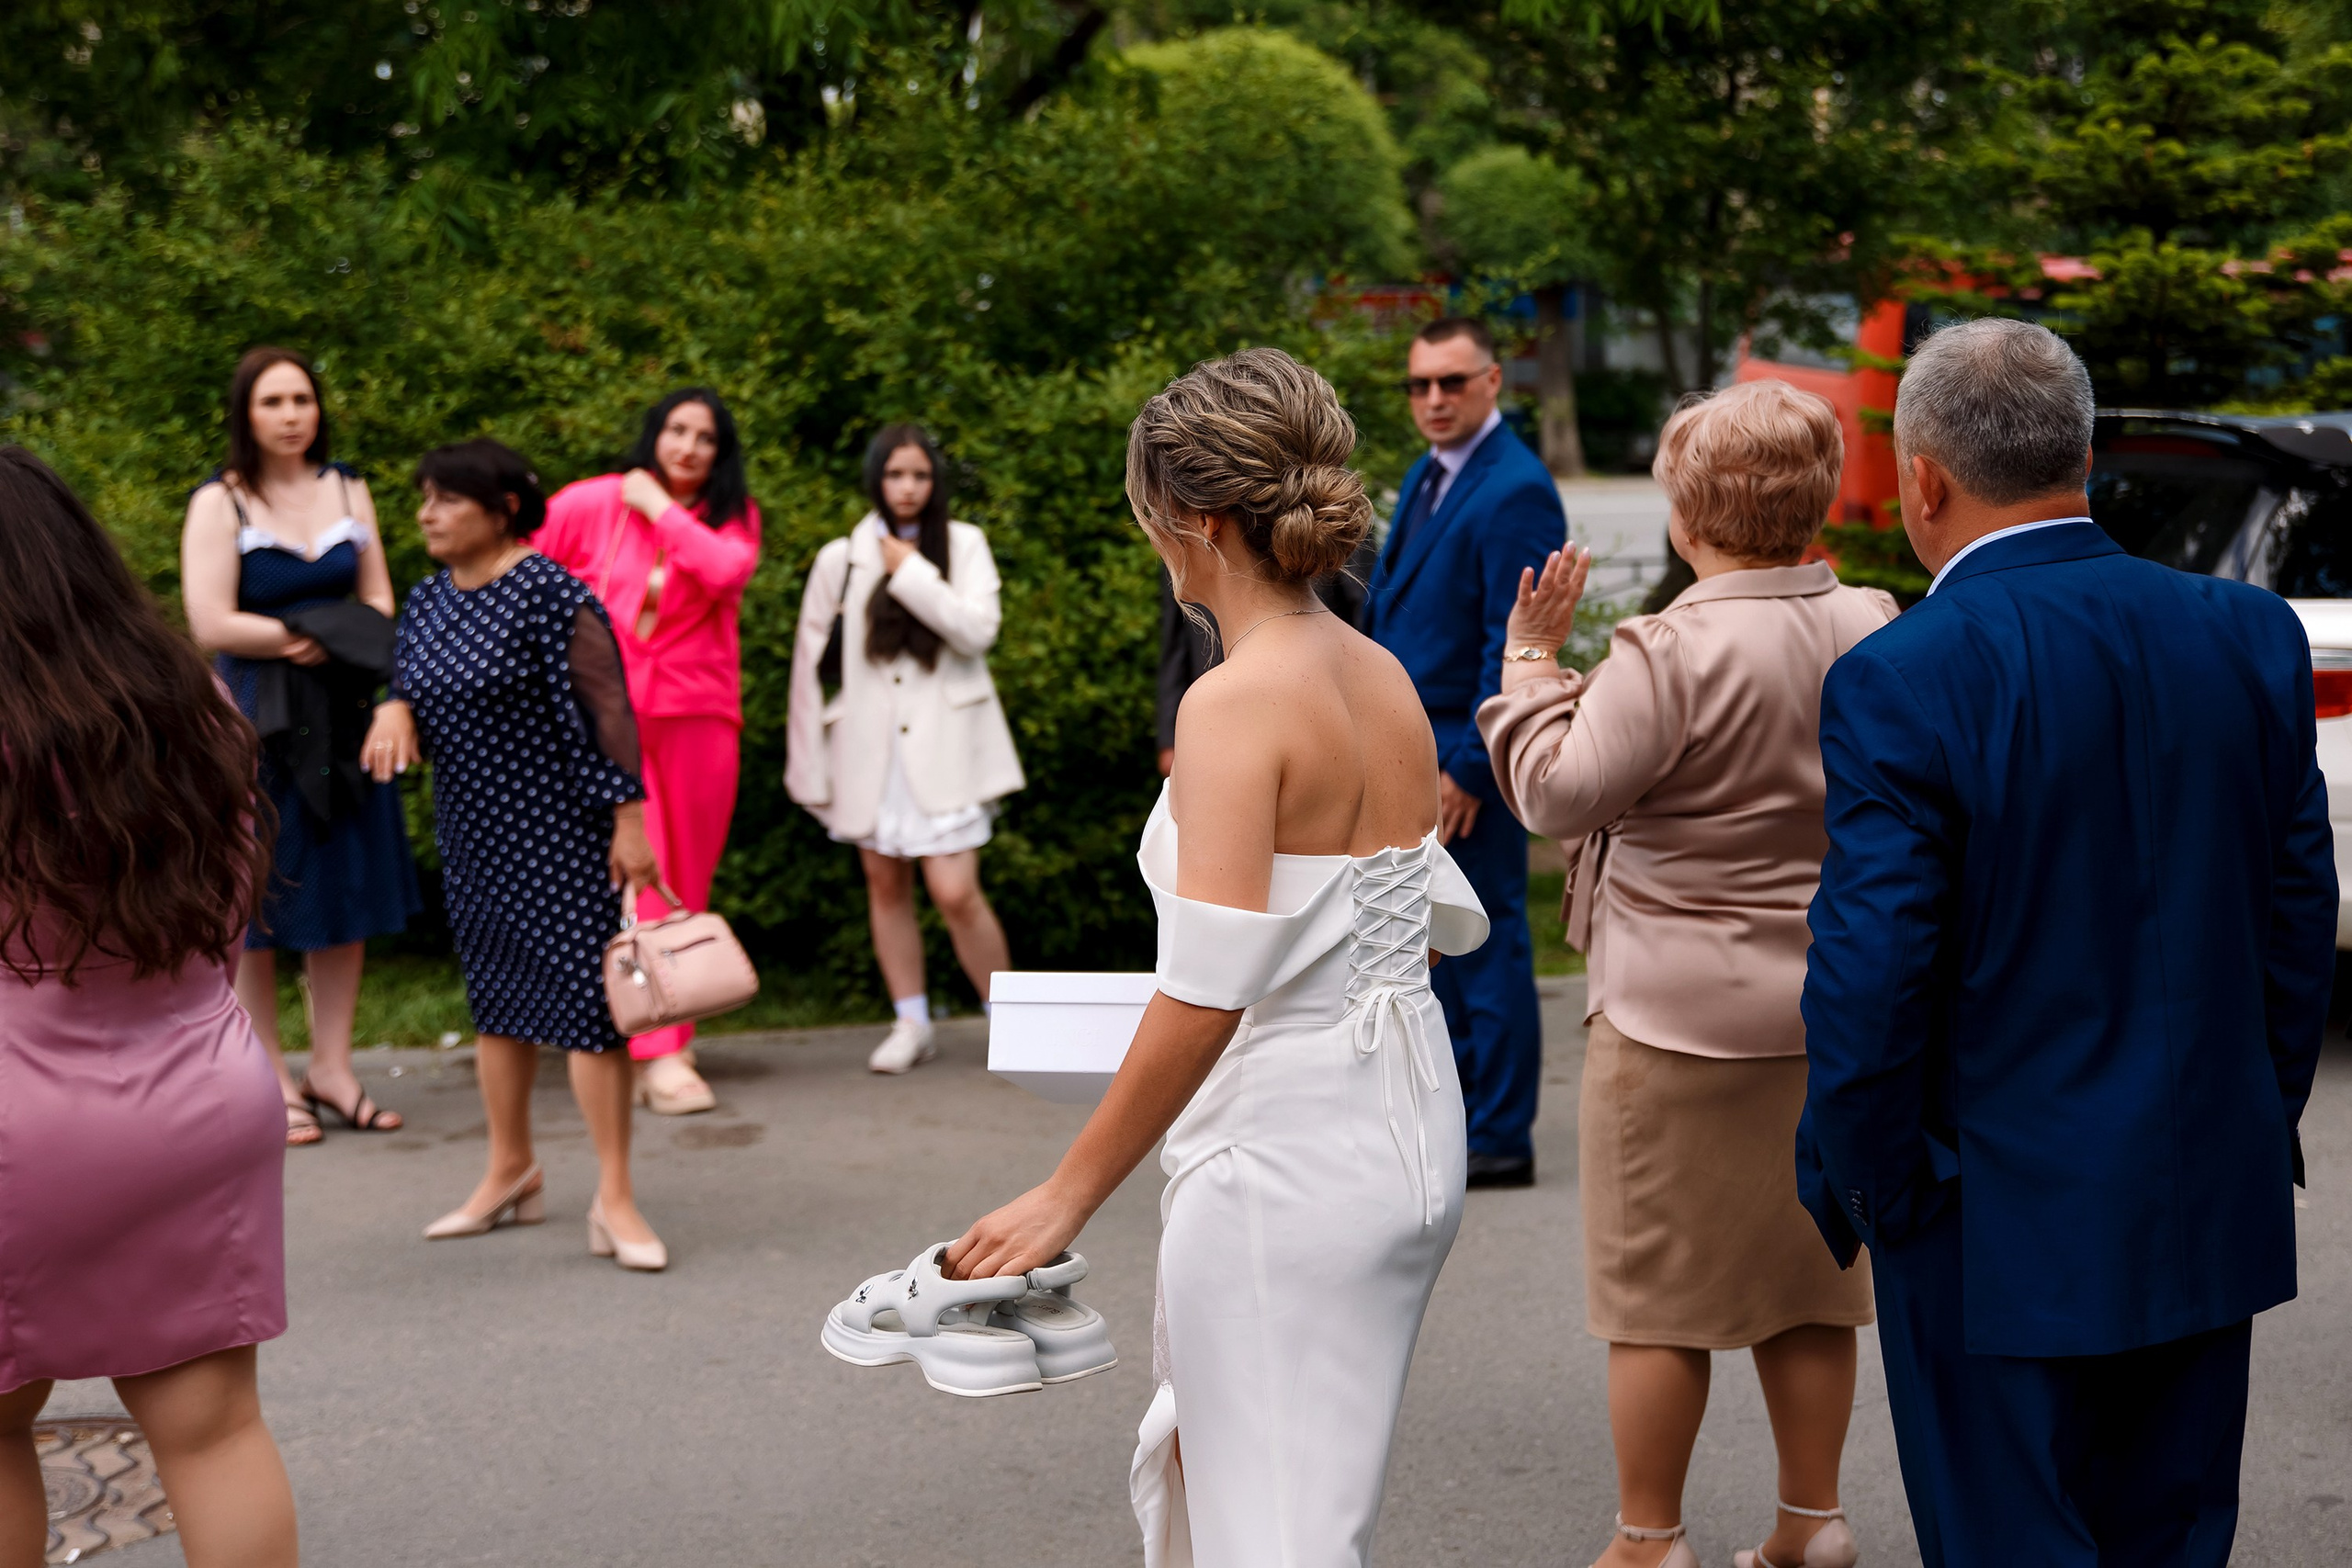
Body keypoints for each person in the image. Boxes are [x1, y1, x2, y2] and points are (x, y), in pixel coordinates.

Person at [1797, 319, 2335, 1565]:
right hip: (2202, 1172)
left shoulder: (1905, 672)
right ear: (2082, 455)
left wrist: (1881, 1185)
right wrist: (2252, 1104)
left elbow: (1872, 968)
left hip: (1987, 1206)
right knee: (2171, 1535)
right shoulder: (2246, 633)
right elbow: (2295, 908)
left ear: (1922, 477)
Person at [944, 347, 1489, 1567]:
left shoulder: (1233, 702)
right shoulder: (1383, 674)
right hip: (1404, 1122)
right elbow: (1370, 930)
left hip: (1287, 1155)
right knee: (1270, 1487)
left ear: (1193, 521)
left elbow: (1210, 984)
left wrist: (1065, 1189)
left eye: (1150, 521)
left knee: (1277, 1530)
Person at [1480, 381, 1894, 1568]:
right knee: (1814, 1281)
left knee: (1655, 1298)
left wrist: (1531, 662)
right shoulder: (1871, 619)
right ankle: (1811, 1518)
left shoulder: (1667, 648)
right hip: (1832, 1009)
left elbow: (1557, 792)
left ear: (1686, 513)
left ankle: (1650, 1536)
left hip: (1673, 1021)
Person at [0, 446, 300, 1568]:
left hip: (18, 1118)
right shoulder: (193, 704)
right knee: (215, 1434)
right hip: (200, 1094)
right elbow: (223, 918)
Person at [362, 439, 669, 1271]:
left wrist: (629, 822)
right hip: (473, 835)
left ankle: (616, 1196)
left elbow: (607, 709)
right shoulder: (427, 601)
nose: (425, 512)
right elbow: (408, 682)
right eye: (423, 497)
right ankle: (510, 1171)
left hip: (562, 834)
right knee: (497, 1004)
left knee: (589, 1011)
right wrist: (393, 710)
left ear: (501, 508)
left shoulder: (549, 593)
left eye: (445, 499)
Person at [181, 346, 421, 1145]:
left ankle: (333, 1068)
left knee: (344, 883)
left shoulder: (348, 486)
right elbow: (210, 620)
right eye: (273, 401)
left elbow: (380, 595)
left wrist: (377, 679)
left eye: (303, 399)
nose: (291, 415)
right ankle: (269, 1077)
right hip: (258, 717)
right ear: (245, 413)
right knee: (263, 894)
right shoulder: (222, 503)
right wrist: (305, 634)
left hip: (348, 707)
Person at [1361, 315, 1566, 1187]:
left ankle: (1500, 1133)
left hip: (1462, 747)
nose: (1434, 399)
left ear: (1493, 382)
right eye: (1420, 385)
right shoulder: (1429, 473)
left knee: (1485, 941)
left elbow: (1509, 640)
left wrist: (1471, 768)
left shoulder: (1515, 486)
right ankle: (1454, 1114)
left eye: (1452, 382)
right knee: (1427, 940)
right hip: (1413, 740)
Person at [535, 389, 762, 1117]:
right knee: (603, 874)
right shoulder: (589, 502)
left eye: (706, 438)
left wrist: (657, 506)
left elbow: (727, 572)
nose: (690, 446)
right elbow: (525, 578)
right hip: (600, 720)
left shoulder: (728, 517)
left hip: (697, 714)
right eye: (677, 430)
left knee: (677, 874)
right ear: (653, 434)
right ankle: (622, 1035)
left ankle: (667, 1047)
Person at [785, 424, 1023, 1074]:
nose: (908, 487)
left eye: (919, 475)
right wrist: (807, 765)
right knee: (883, 882)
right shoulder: (843, 556)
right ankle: (910, 1019)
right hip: (868, 747)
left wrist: (912, 571)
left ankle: (1010, 1024)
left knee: (954, 890)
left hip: (947, 747)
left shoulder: (964, 544)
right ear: (876, 480)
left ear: (935, 481)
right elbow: (810, 667)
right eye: (895, 475)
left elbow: (978, 630)